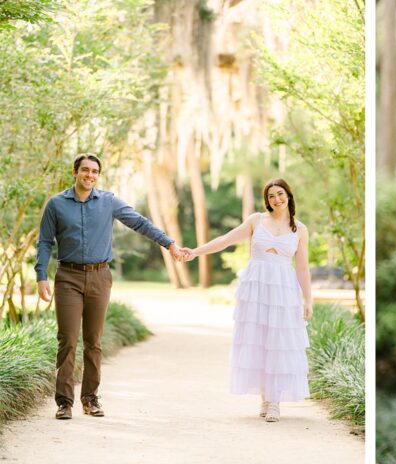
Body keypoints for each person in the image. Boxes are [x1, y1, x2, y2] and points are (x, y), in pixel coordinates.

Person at [36, 153, 188, 420]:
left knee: (94, 341)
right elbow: (45, 241)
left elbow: (139, 223)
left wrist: (169, 243)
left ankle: (90, 398)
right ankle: (64, 402)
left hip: (99, 276)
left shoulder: (108, 202)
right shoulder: (56, 204)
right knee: (68, 339)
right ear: (75, 172)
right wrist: (41, 276)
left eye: (95, 171)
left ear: (98, 175)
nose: (90, 175)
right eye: (85, 170)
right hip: (68, 277)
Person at [181, 178, 312, 422]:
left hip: (283, 290)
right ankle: (265, 396)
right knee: (258, 340)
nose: (276, 199)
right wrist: (195, 252)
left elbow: (302, 269)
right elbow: (225, 240)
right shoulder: (256, 221)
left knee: (278, 341)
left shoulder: (299, 230)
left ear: (289, 196)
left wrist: (308, 300)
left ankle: (274, 401)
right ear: (267, 200)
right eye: (271, 195)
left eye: (280, 194)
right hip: (256, 289)